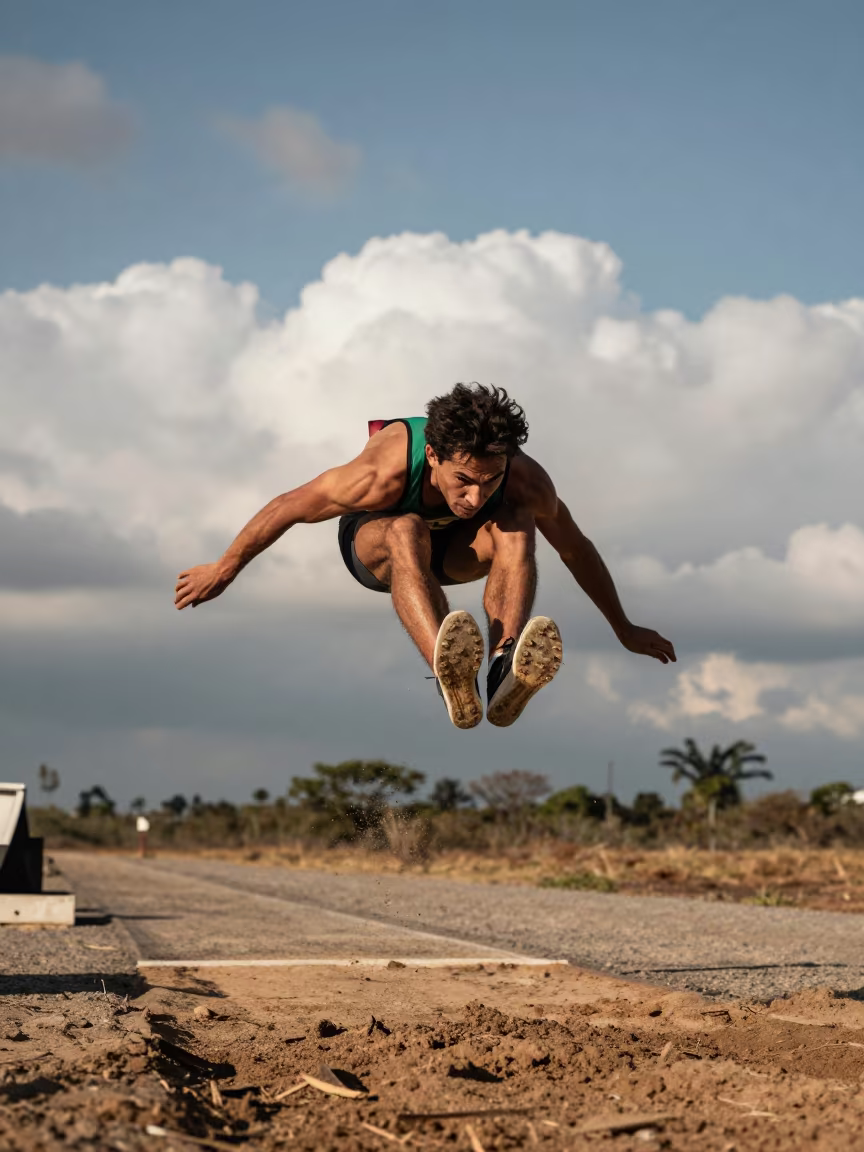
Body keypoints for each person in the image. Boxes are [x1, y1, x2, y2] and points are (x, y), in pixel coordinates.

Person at [175, 383, 676, 729]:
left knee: (518, 523)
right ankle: (448, 670)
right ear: (434, 456)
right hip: (379, 550)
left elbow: (574, 547)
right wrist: (225, 567)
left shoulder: (525, 480)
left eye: (490, 481)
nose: (475, 497)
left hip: (456, 554)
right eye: (464, 480)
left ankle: (501, 667)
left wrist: (623, 627)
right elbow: (287, 506)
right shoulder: (382, 471)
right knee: (407, 528)